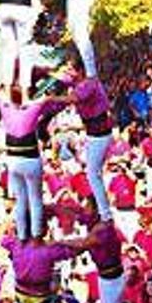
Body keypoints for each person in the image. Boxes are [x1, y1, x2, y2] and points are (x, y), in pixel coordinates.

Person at [0, 83, 62, 240]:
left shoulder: (5, 107)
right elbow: (52, 101)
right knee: (35, 199)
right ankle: (36, 235)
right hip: (30, 159)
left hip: (14, 161)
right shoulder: (33, 107)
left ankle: (22, 235)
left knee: (20, 200)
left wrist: (0, 84)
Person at [57, 54, 115, 222]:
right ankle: (96, 206)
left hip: (100, 134)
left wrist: (48, 99)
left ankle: (105, 214)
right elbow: (60, 76)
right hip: (91, 134)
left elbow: (71, 99)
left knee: (92, 173)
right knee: (89, 170)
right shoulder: (77, 81)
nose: (67, 71)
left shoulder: (89, 84)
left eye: (70, 68)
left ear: (80, 71)